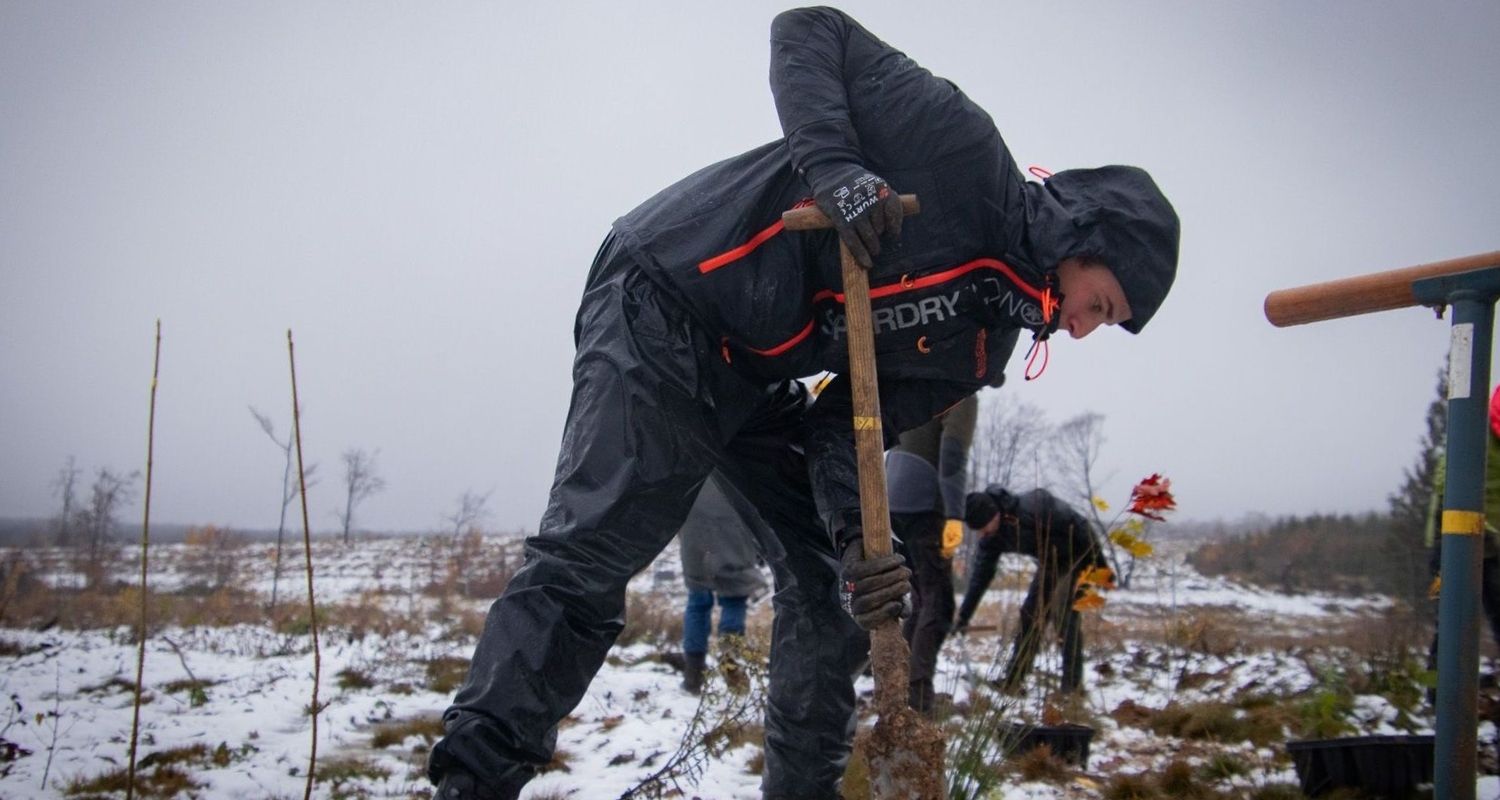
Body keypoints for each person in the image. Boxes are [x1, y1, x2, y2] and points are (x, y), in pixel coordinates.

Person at [429, 8, 1179, 799]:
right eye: (1099, 304)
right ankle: (472, 782)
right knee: (593, 553)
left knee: (831, 589)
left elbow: (841, 425)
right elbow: (809, 27)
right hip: (669, 296)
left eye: (1105, 322)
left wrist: (860, 539)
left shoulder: (981, 345)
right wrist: (838, 168)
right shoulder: (963, 153)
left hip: (753, 375)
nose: (1085, 328)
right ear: (1079, 238)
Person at [955, 485, 1109, 694]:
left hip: (1078, 557)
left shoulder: (1034, 507)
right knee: (1030, 615)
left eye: (983, 526)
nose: (982, 533)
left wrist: (1098, 569)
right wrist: (964, 616)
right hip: (1050, 563)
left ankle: (1072, 688)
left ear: (995, 514)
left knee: (1063, 614)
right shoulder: (992, 539)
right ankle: (1014, 680)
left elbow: (1081, 525)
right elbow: (980, 579)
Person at [886, 393, 978, 714]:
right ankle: (918, 696)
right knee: (938, 604)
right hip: (924, 502)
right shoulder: (962, 391)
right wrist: (955, 514)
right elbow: (953, 455)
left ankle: (899, 688)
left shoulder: (925, 379)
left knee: (919, 600)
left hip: (892, 498)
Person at [1424, 384, 1500, 696]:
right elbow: (1447, 487)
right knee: (1451, 626)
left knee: (1452, 626)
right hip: (1453, 543)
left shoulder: (1477, 425)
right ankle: (1435, 697)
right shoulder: (1472, 430)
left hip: (1483, 543)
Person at [676, 472, 769, 694]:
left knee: (697, 602)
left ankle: (693, 676)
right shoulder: (737, 459)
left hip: (694, 533)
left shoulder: (690, 459)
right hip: (733, 530)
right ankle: (730, 661)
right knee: (734, 599)